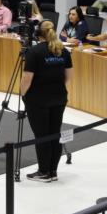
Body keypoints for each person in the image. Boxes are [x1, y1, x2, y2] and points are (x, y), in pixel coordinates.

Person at [20, 21, 73, 182]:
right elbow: (69, 77)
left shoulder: (34, 52)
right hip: (59, 97)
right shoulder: (63, 50)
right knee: (54, 133)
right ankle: (52, 171)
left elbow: (26, 79)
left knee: (41, 135)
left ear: (38, 35)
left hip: (38, 99)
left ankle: (44, 172)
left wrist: (23, 95)